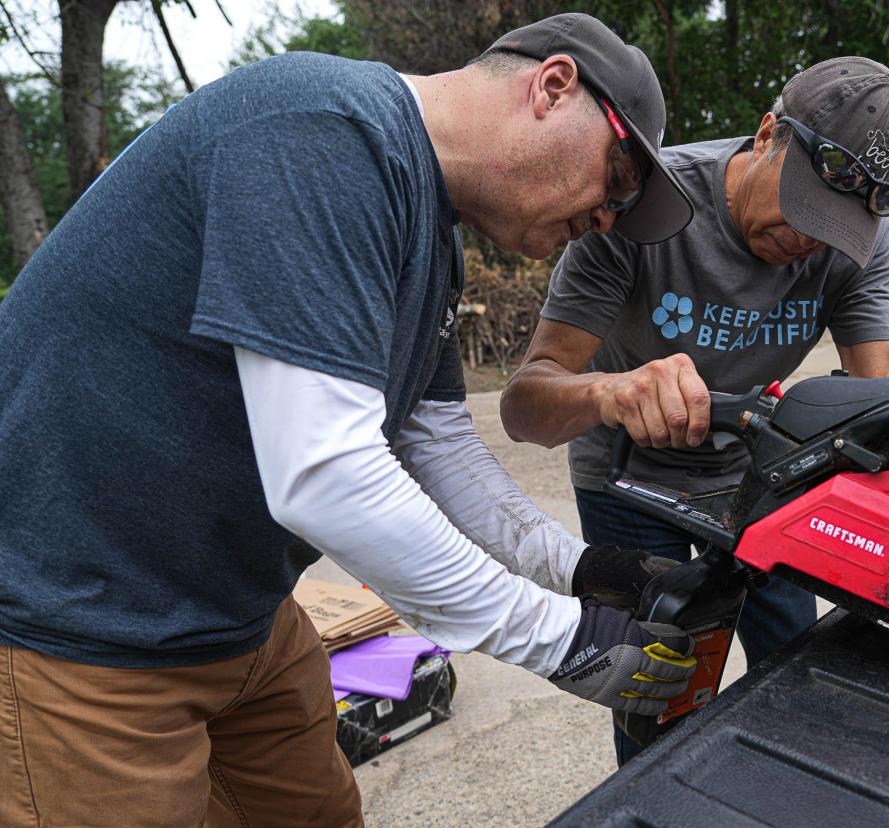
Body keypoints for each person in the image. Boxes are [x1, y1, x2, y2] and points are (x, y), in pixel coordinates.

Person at [0, 14, 701, 826]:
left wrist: (583, 571)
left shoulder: (429, 236)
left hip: (242, 621)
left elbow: (435, 448)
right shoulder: (320, 131)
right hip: (83, 634)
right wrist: (558, 638)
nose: (610, 218)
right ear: (552, 87)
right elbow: (326, 475)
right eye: (617, 178)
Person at [500, 56, 889, 765]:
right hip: (626, 473)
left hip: (766, 471)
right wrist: (611, 392)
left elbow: (883, 393)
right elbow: (525, 404)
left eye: (835, 229)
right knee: (657, 681)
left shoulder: (860, 243)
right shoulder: (642, 202)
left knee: (798, 656)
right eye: (804, 207)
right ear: (766, 135)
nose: (809, 241)